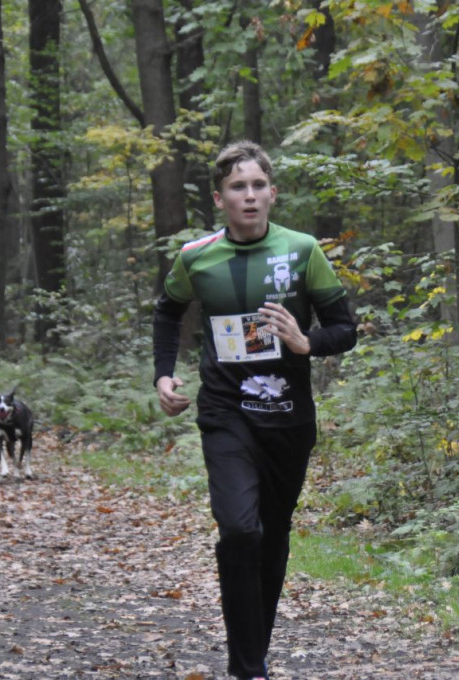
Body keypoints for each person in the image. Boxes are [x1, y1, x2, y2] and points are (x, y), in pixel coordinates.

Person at [152, 141, 357, 680]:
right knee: (240, 530)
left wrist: (304, 341)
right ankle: (248, 668)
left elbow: (346, 329)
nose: (249, 196)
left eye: (257, 185)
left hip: (289, 417)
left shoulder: (303, 249)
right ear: (220, 199)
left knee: (273, 533)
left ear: (273, 193)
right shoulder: (196, 256)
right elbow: (168, 312)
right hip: (225, 411)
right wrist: (163, 374)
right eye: (237, 187)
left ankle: (251, 655)